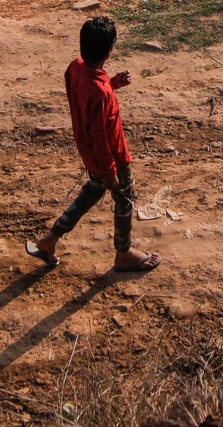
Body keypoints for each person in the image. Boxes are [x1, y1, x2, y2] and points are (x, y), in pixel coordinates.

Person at [27, 15, 161, 272]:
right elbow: (100, 135)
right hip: (112, 157)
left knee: (91, 193)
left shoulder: (76, 67)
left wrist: (112, 84)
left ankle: (50, 240)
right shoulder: (100, 93)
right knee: (125, 200)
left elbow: (86, 102)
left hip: (88, 152)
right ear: (109, 51)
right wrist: (111, 172)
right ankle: (124, 253)